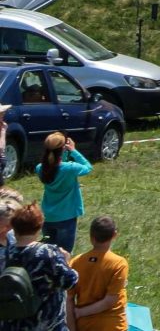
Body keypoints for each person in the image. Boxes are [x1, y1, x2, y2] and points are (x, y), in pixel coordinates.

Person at [2, 203, 76, 331]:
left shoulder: (6, 254)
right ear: (39, 227)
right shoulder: (48, 253)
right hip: (48, 324)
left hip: (15, 324)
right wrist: (66, 261)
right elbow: (70, 281)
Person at [31, 136, 90, 251]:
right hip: (66, 217)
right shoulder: (70, 168)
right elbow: (88, 167)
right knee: (64, 255)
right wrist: (73, 150)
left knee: (48, 252)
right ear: (63, 150)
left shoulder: (40, 168)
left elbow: (55, 166)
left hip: (47, 217)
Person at [68, 218, 123, 331]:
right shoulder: (119, 264)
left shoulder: (76, 262)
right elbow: (110, 301)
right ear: (114, 235)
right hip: (113, 326)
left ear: (91, 237)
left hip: (85, 325)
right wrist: (81, 312)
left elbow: (68, 300)